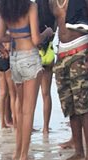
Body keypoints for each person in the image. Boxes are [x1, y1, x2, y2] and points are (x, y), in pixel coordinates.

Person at [0, 0, 52, 160]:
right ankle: (23, 156)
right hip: (29, 57)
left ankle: (17, 151)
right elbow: (36, 39)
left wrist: (15, 36)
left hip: (15, 58)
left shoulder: (5, 7)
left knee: (20, 109)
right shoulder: (31, 6)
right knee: (28, 110)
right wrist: (47, 32)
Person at [51, 0, 88, 160]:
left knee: (83, 104)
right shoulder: (52, 2)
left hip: (81, 49)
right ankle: (78, 151)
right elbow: (52, 25)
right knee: (69, 105)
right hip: (62, 52)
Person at [37, 0, 56, 134]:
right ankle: (45, 128)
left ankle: (27, 124)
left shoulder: (33, 10)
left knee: (30, 95)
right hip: (49, 52)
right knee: (46, 94)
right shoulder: (53, 11)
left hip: (35, 53)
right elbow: (54, 32)